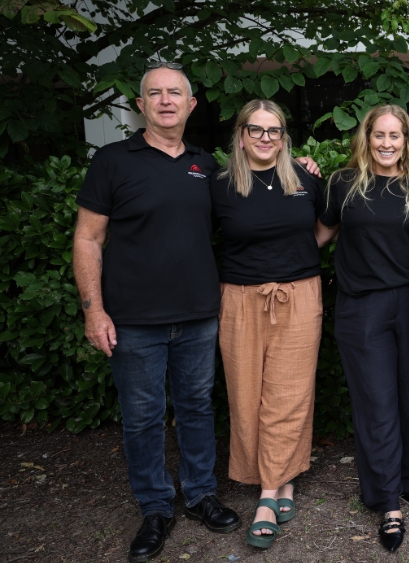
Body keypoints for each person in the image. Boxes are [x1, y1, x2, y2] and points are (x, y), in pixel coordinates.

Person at [72, 62, 242, 563]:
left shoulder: (205, 164)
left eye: (176, 93)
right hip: (132, 319)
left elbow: (255, 198)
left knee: (196, 407)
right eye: (155, 93)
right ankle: (155, 508)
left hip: (197, 315)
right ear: (140, 105)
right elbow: (88, 237)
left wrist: (305, 170)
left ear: (191, 105)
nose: (166, 101)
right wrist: (93, 311)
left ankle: (200, 494)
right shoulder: (112, 160)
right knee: (142, 418)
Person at [315, 105, 409, 553]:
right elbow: (318, 236)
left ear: (408, 140)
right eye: (379, 135)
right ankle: (387, 500)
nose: (387, 143)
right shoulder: (342, 184)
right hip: (362, 307)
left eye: (396, 136)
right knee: (376, 401)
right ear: (365, 138)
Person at [210, 100, 325, 549]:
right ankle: (286, 479)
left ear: (284, 137)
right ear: (240, 136)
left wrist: (297, 259)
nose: (264, 138)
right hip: (239, 299)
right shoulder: (218, 185)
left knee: (289, 394)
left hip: (298, 295)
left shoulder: (306, 179)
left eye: (273, 131)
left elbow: (326, 226)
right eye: (255, 130)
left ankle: (267, 495)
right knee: (246, 395)